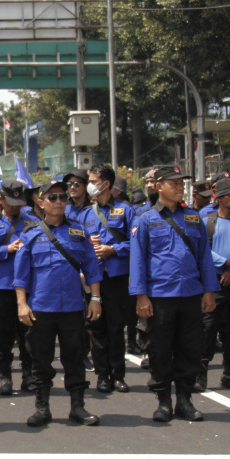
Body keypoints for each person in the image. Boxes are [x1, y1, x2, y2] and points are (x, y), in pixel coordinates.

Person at [129, 166, 219, 422]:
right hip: (159, 295)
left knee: (189, 348)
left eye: (181, 183)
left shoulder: (193, 218)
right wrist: (140, 296)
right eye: (173, 183)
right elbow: (137, 260)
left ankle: (185, 400)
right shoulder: (144, 219)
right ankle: (164, 401)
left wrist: (209, 291)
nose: (180, 187)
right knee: (159, 349)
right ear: (158, 186)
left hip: (190, 293)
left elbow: (205, 258)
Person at [14, 179, 103, 427]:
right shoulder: (29, 235)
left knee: (74, 359)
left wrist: (95, 299)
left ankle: (78, 407)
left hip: (73, 308)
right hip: (41, 308)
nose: (59, 201)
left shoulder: (78, 231)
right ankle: (42, 408)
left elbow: (92, 269)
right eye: (52, 198)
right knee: (40, 361)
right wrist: (22, 304)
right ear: (40, 203)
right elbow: (20, 277)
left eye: (62, 197)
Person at [0, 181, 39, 395]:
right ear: (1, 199)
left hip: (29, 286)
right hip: (2, 285)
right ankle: (5, 375)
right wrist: (6, 249)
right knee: (3, 334)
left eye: (18, 203)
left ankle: (28, 375)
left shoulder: (33, 221)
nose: (15, 207)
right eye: (11, 202)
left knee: (28, 333)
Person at [80, 165, 135, 394]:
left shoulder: (126, 210)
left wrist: (113, 249)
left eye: (94, 180)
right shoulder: (85, 214)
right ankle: (102, 375)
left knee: (115, 327)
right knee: (96, 328)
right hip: (93, 279)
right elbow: (78, 248)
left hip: (116, 277)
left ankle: (118, 375)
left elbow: (137, 244)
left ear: (106, 184)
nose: (90, 184)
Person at [196, 178, 230, 392]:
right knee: (208, 327)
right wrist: (226, 264)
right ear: (218, 198)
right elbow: (201, 249)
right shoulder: (205, 219)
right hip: (213, 281)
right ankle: (200, 373)